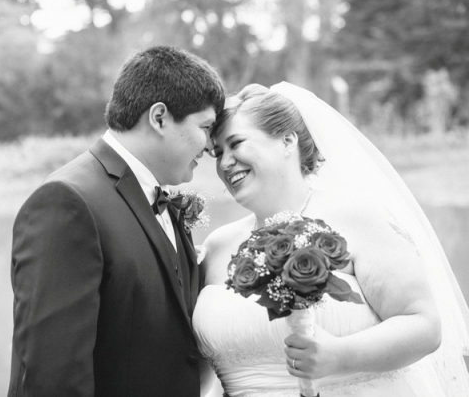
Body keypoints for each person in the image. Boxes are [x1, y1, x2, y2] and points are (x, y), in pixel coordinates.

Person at [193, 82, 469, 396]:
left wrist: (339, 355)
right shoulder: (217, 246)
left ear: (287, 141)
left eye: (236, 143)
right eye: (218, 153)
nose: (225, 163)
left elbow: (424, 325)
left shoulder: (357, 221)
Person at [8, 46, 225, 397]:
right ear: (159, 118)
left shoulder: (161, 200)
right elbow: (54, 375)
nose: (212, 147)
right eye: (205, 127)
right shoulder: (67, 203)